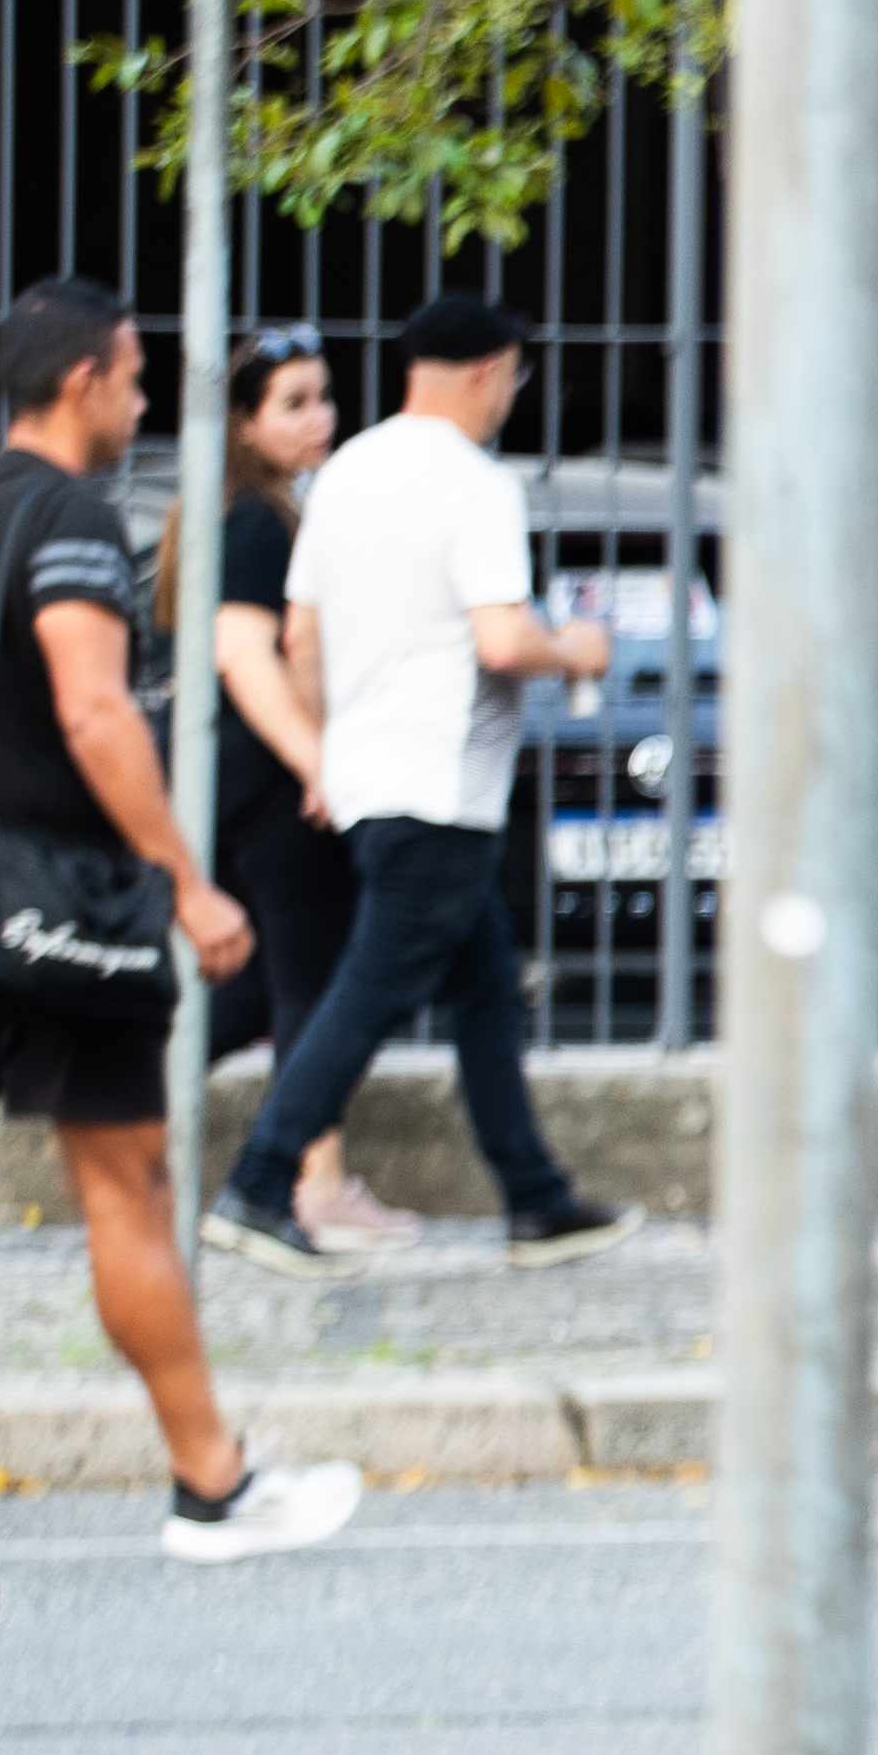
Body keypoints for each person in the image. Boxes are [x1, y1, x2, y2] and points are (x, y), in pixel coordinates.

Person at [0, 282, 366, 1568]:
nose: (145, 404)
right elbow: (94, 713)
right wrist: (187, 880)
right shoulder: (76, 523)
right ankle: (214, 1483)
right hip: (50, 911)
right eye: (137, 378)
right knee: (131, 1194)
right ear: (84, 380)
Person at [200, 293, 647, 1281]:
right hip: (442, 781)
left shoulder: (347, 472)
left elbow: (301, 633)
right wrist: (572, 645)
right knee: (365, 990)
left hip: (370, 778)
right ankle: (261, 1182)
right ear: (492, 371)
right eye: (516, 378)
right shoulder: (473, 484)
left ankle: (535, 1197)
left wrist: (329, 751)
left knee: (486, 981)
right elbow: (500, 637)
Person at [172, 323, 412, 1254]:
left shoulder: (264, 511)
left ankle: (137, 1086)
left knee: (263, 985)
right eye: (294, 403)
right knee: (316, 977)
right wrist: (320, 764)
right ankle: (314, 1186)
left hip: (260, 778)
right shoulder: (255, 519)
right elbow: (244, 655)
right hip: (276, 782)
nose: (320, 418)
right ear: (244, 422)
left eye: (324, 397)